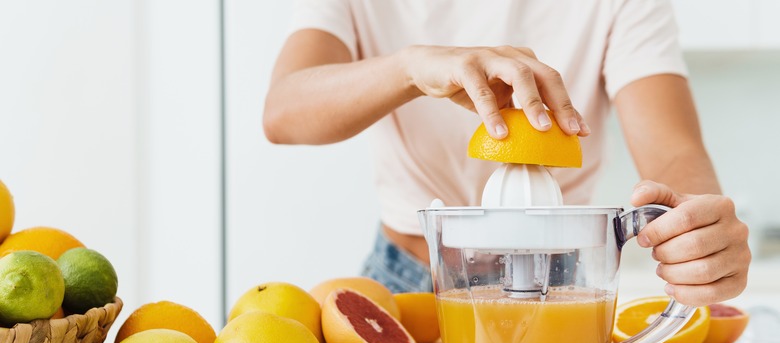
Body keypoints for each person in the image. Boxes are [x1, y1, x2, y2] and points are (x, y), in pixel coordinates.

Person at [263, 0, 750, 307]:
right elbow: (284, 110)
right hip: (404, 280)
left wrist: (700, 232)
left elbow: (673, 152)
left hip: (561, 283)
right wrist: (410, 68)